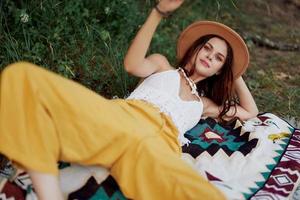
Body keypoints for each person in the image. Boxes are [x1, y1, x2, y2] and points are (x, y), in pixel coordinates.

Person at [0, 0, 258, 199]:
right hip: (120, 118)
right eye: (207, 48)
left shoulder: (206, 106)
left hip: (157, 147)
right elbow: (132, 64)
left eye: (218, 58)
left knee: (202, 194)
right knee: (21, 76)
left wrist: (234, 71)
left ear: (220, 70)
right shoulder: (162, 65)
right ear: (196, 48)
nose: (209, 56)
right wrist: (158, 12)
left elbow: (250, 112)